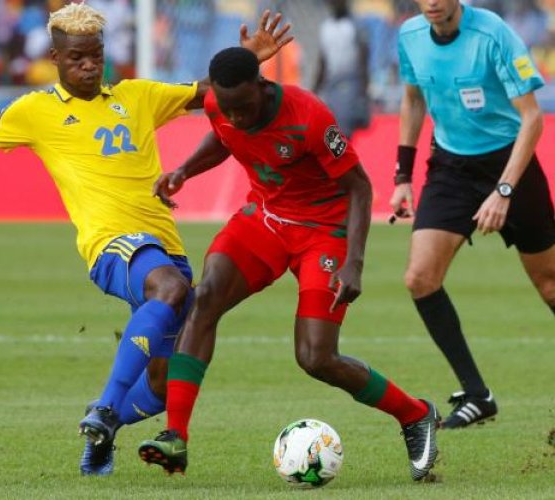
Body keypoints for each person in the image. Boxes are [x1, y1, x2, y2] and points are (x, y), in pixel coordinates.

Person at [0, 3, 293, 476]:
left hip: (163, 245)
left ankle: (103, 430)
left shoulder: (139, 96)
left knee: (165, 382)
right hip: (111, 245)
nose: (89, 65)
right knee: (169, 289)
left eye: (95, 55)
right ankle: (106, 408)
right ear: (55, 58)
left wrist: (247, 59)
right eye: (77, 58)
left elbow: (212, 92)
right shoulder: (36, 111)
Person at [138, 46, 440, 482]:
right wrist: (185, 169)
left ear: (262, 86)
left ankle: (414, 415)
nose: (236, 117)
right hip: (265, 219)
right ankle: (175, 436)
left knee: (316, 357)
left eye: (243, 107)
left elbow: (359, 187)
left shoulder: (309, 116)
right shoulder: (217, 103)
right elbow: (225, 137)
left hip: (324, 232)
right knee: (204, 298)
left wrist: (354, 263)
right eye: (228, 108)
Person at [390, 0, 555, 429]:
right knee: (419, 278)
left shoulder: (493, 33)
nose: (432, 2)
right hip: (450, 167)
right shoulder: (409, 36)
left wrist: (504, 191)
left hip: (510, 162)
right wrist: (402, 175)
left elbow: (532, 119)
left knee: (550, 284)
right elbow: (412, 101)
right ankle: (478, 396)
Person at [313, 0, 371, 139]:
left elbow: (363, 59)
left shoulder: (354, 25)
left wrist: (363, 90)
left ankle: (344, 158)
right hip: (331, 85)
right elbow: (323, 61)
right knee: (330, 128)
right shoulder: (326, 27)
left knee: (343, 130)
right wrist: (315, 89)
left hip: (350, 83)